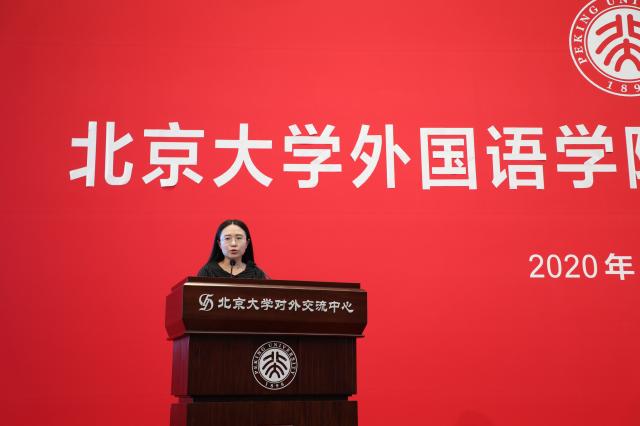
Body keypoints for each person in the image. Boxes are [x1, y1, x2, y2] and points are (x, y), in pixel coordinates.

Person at [197, 219, 269, 279]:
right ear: (219, 244)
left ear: (247, 243)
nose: (233, 243)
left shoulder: (257, 274)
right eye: (227, 238)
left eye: (239, 238)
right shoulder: (207, 272)